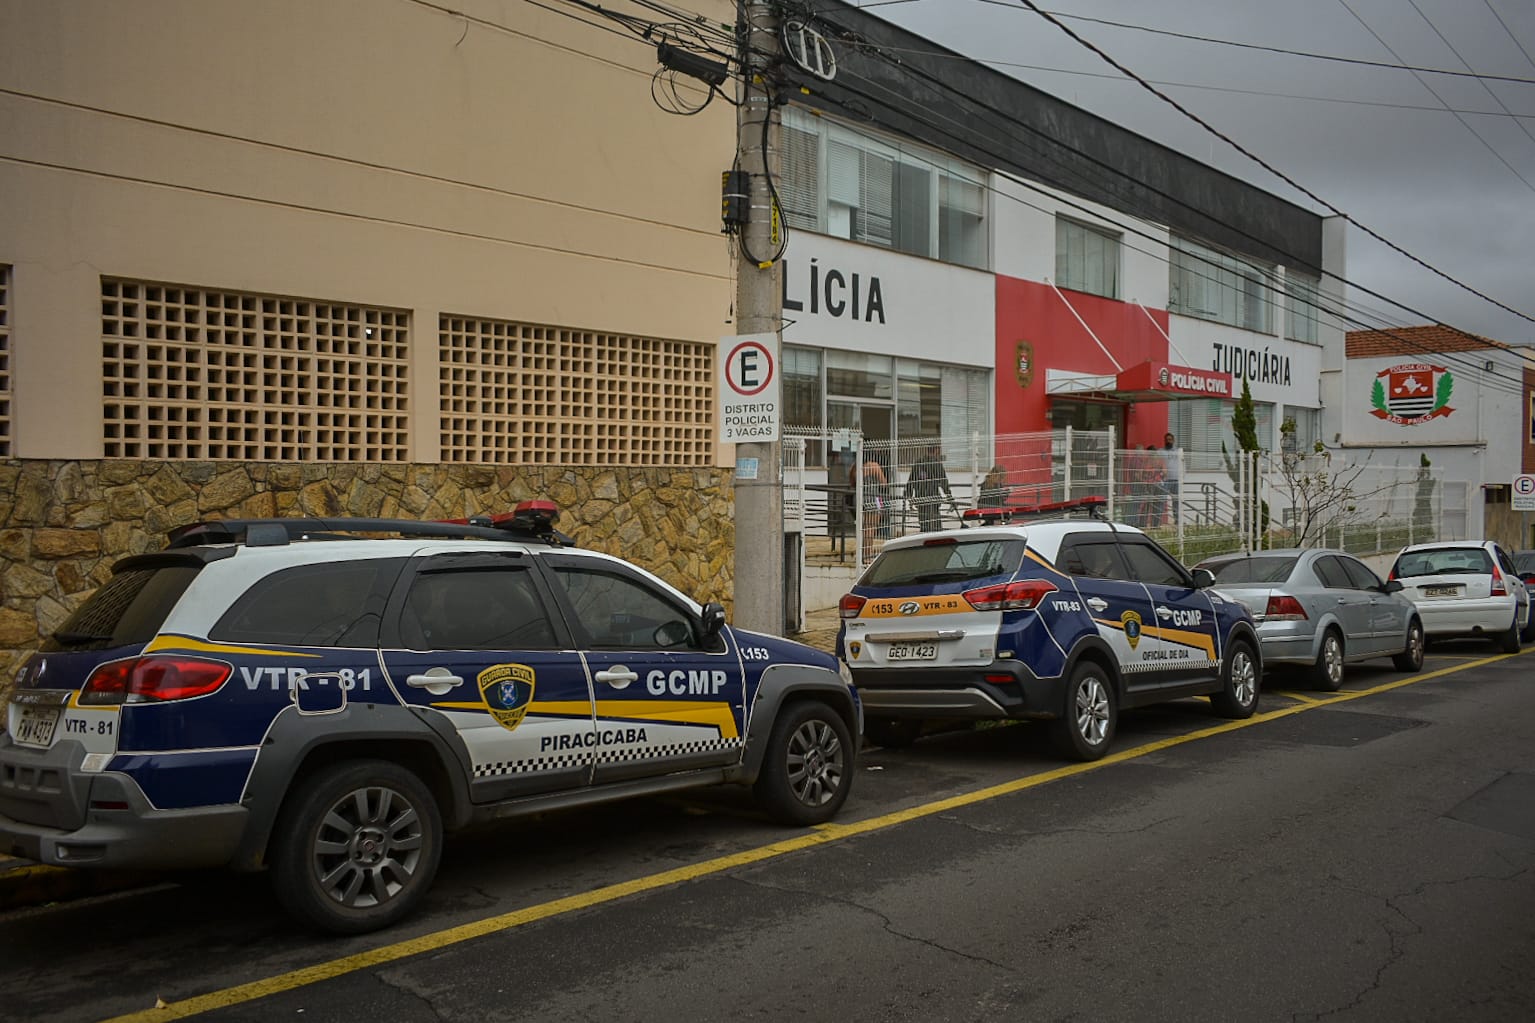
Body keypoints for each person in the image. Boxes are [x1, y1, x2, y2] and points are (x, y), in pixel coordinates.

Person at [904, 443, 955, 533]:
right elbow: (944, 482)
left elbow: (911, 481)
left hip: (921, 497)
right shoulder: (937, 464)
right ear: (936, 450)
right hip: (933, 497)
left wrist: (909, 496)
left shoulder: (919, 463)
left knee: (924, 523)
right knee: (935, 524)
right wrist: (949, 496)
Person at [850, 452, 888, 561]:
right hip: (873, 498)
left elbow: (852, 483)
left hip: (858, 498)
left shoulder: (855, 467)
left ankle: (862, 552)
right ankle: (867, 554)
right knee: (871, 528)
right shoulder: (874, 466)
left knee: (863, 528)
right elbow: (883, 483)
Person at [1160, 432, 1181, 526]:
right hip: (1165, 480)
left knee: (1176, 501)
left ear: (1173, 440)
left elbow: (1183, 465)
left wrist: (1182, 477)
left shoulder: (1178, 451)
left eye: (1170, 439)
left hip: (1176, 479)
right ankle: (1158, 521)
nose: (1168, 441)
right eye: (1167, 440)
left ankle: (1177, 520)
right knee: (1161, 499)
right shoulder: (1161, 451)